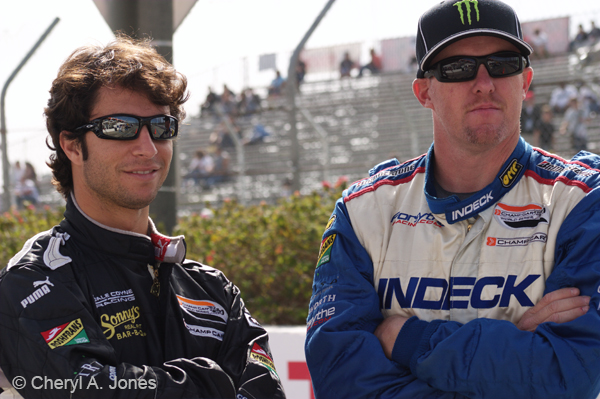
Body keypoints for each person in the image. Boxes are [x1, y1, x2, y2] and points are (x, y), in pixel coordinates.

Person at [305, 1, 600, 398]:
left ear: (525, 80)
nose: (484, 83)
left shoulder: (583, 202)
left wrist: (406, 339)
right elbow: (340, 375)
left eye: (502, 64)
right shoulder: (362, 212)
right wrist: (512, 350)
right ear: (424, 91)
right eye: (458, 68)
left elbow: (572, 372)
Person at [0, 34, 285, 399]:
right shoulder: (35, 280)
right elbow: (86, 392)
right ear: (71, 144)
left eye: (162, 128)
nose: (148, 148)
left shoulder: (214, 290)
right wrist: (212, 382)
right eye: (121, 127)